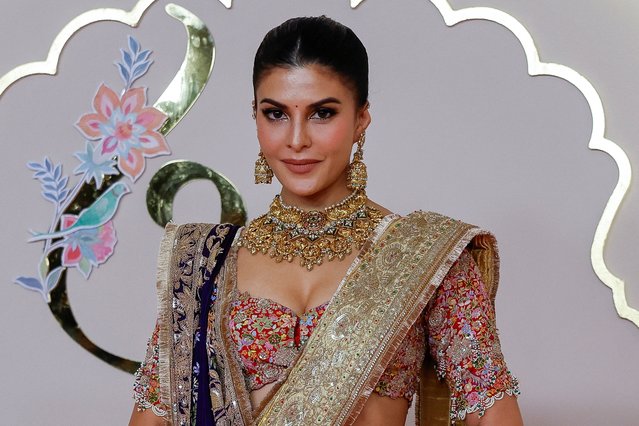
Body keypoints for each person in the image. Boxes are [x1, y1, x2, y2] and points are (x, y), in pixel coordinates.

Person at [129, 16, 522, 426]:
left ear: (361, 118)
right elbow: (154, 416)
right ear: (255, 117)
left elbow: (493, 412)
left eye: (322, 113)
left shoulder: (426, 254)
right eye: (276, 114)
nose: (297, 139)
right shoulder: (204, 263)